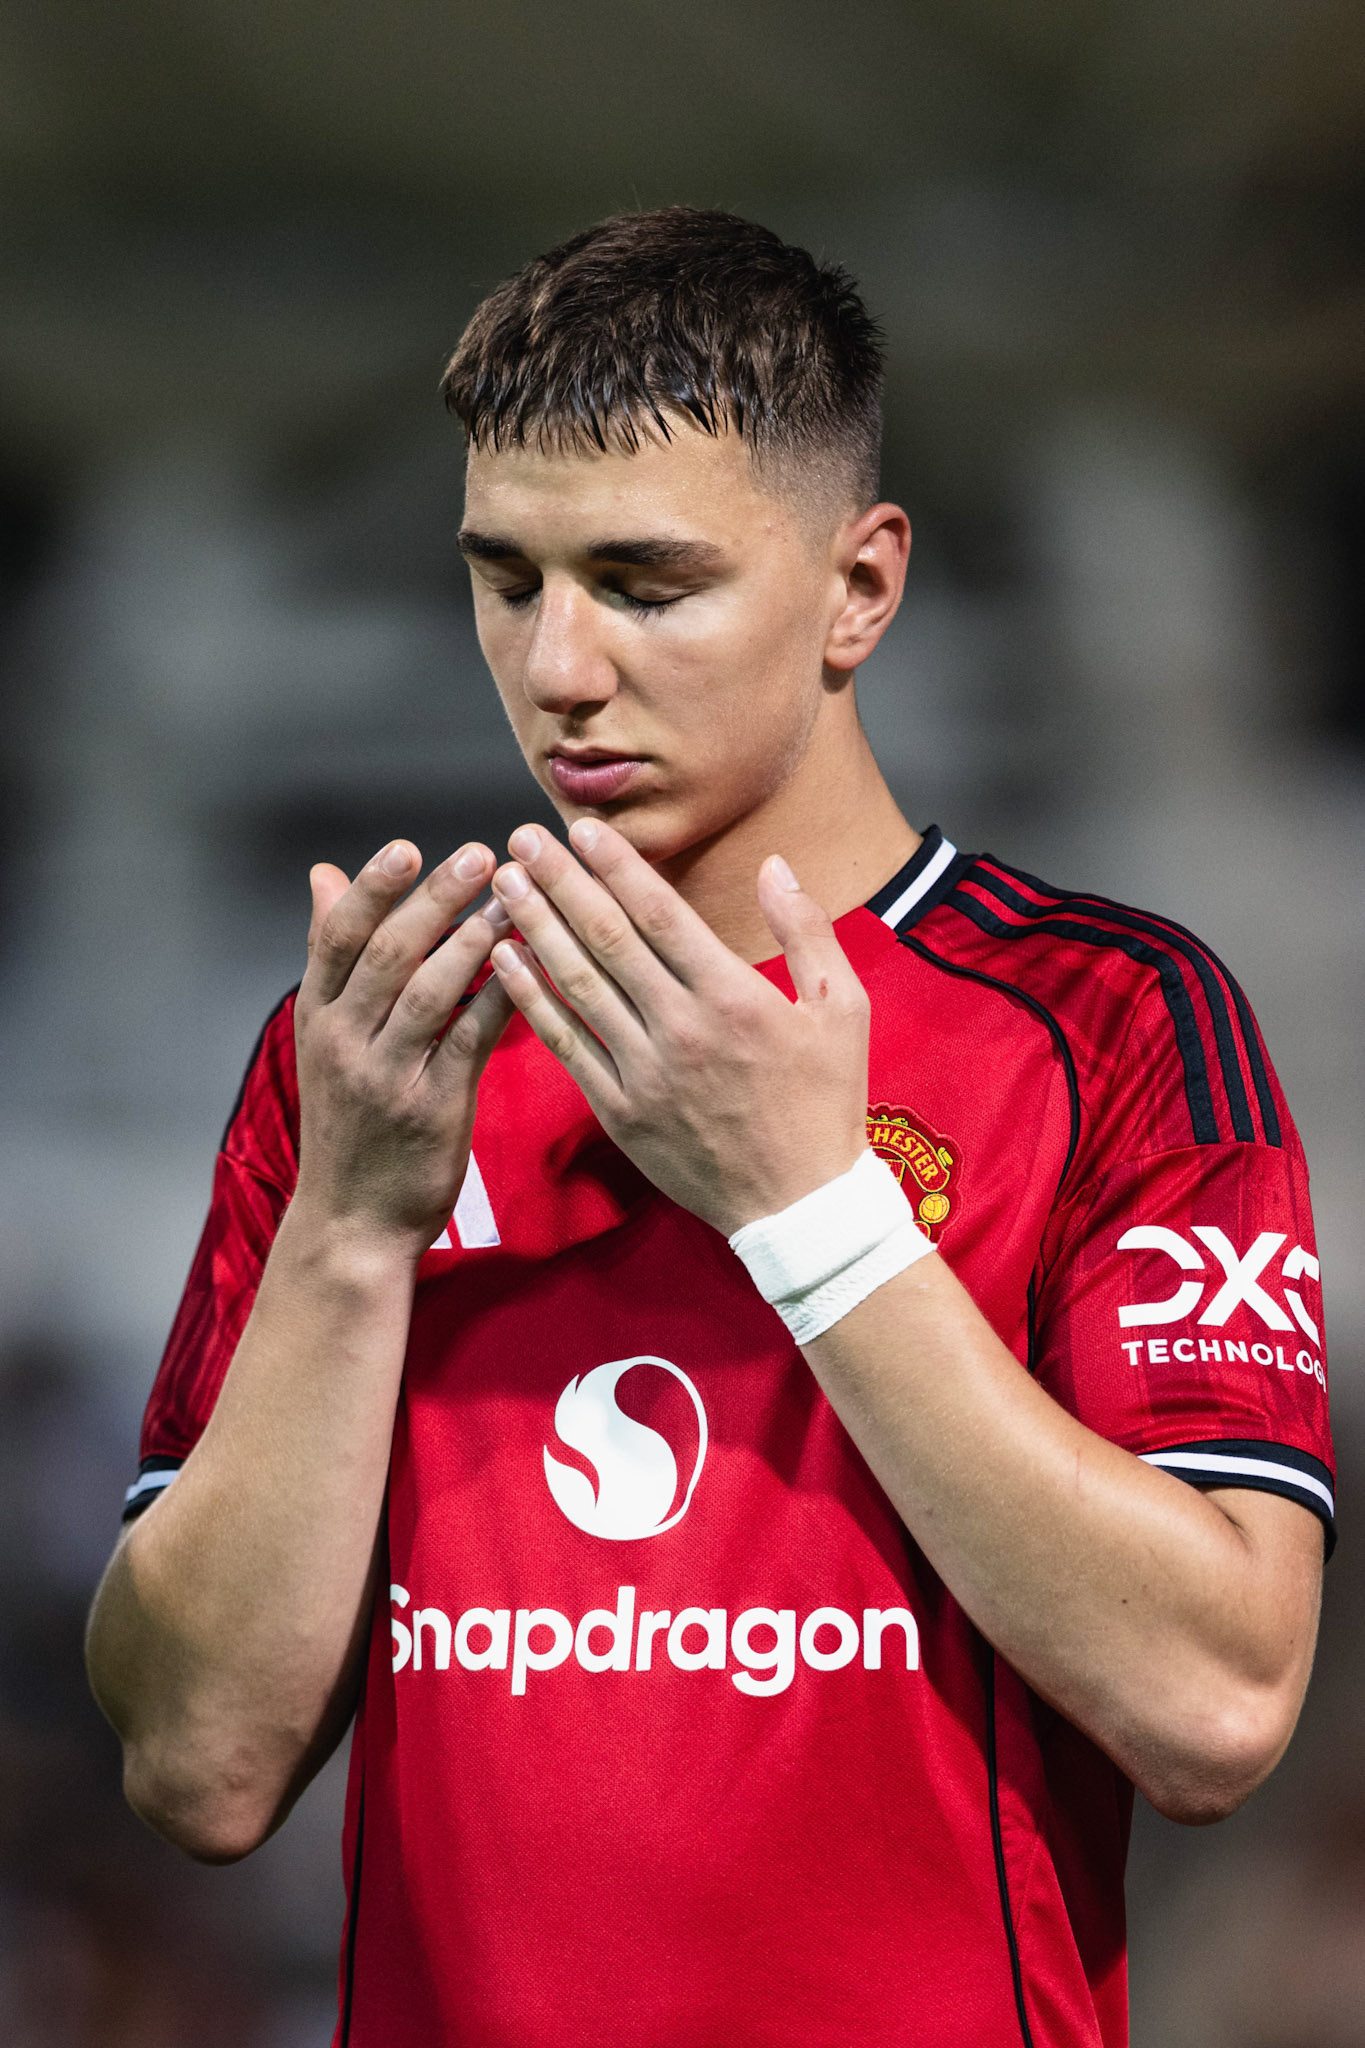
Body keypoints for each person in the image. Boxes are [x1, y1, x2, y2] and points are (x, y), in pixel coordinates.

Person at [86, 209, 1333, 2048]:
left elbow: (1216, 1706)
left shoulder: (1110, 1021)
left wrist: (808, 1209)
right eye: (506, 579)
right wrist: (349, 1231)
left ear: (859, 588)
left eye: (644, 585)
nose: (557, 667)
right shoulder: (370, 1050)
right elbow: (197, 1765)